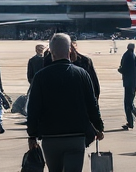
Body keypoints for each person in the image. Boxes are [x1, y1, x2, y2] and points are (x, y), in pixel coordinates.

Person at [27, 33, 103, 172]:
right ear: (69, 50)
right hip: (76, 136)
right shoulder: (81, 74)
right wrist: (98, 127)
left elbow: (33, 109)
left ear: (51, 53)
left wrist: (32, 135)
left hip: (51, 138)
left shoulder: (40, 77)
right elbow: (92, 105)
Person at [118, 42, 136, 130]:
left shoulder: (127, 56)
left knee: (128, 103)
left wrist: (120, 70)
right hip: (133, 82)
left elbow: (125, 69)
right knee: (129, 103)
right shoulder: (132, 56)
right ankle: (131, 122)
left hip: (129, 83)